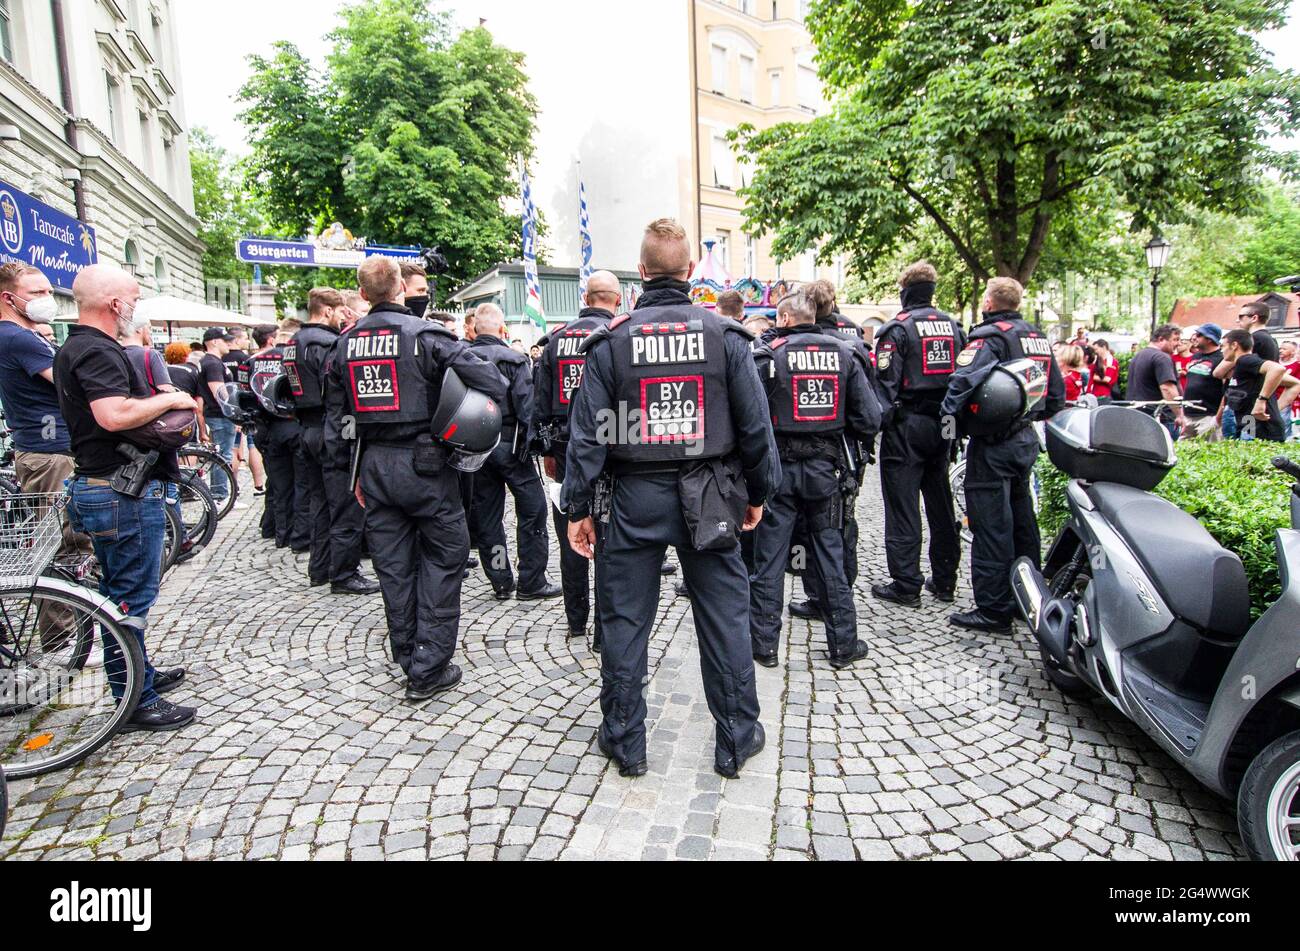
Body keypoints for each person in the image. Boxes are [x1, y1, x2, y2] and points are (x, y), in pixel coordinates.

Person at [561, 218, 778, 779]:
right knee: (726, 616)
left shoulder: (611, 341)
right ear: (688, 273)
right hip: (710, 494)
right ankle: (735, 738)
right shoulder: (726, 336)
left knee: (625, 620)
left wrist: (577, 508)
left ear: (642, 272)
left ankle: (626, 739)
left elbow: (588, 436)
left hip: (633, 497)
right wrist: (757, 493)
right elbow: (757, 430)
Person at [327, 256, 506, 703]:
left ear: (363, 295)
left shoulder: (344, 344)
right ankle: (428, 667)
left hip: (373, 465)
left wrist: (351, 471)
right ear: (401, 290)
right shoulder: (426, 336)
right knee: (445, 560)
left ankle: (408, 652)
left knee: (393, 567)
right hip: (426, 464)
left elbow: (336, 420)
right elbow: (491, 380)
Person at [55, 264, 199, 732]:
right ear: (115, 304)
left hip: (108, 486)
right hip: (119, 489)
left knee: (119, 594)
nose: (136, 307)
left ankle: (140, 677)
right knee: (128, 601)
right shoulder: (95, 350)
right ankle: (137, 698)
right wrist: (171, 400)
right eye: (133, 299)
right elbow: (113, 414)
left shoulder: (79, 347)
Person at [750, 289, 878, 669]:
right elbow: (870, 418)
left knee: (769, 560)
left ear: (787, 319)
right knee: (829, 556)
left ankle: (764, 646)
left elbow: (751, 417)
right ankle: (843, 645)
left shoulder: (768, 355)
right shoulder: (845, 353)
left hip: (779, 471)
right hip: (826, 470)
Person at [942, 277, 1065, 634]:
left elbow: (964, 379)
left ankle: (993, 608)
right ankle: (1026, 598)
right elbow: (1054, 392)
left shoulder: (990, 337)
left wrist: (948, 421)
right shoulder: (1035, 335)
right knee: (1023, 521)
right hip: (1026, 438)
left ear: (991, 302)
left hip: (995, 442)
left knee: (991, 524)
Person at [532, 270, 621, 648]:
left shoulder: (555, 341)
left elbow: (537, 403)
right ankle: (603, 631)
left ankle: (575, 620)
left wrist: (547, 453)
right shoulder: (618, 336)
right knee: (608, 542)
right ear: (616, 300)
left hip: (566, 449)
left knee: (571, 529)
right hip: (610, 447)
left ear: (585, 296)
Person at [870, 261, 964, 607]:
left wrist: (874, 429)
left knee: (903, 505)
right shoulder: (953, 327)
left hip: (907, 423)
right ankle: (944, 579)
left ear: (905, 291)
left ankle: (906, 583)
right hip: (943, 423)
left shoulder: (898, 330)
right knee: (940, 502)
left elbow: (885, 386)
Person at [285, 289, 379, 595]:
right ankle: (344, 573)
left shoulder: (293, 343)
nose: (344, 317)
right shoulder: (327, 343)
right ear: (326, 311)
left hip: (306, 428)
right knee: (345, 505)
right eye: (341, 312)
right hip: (330, 429)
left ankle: (320, 568)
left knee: (319, 504)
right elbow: (338, 388)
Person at [468, 303, 561, 601]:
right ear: (501, 328)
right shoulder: (513, 358)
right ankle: (531, 580)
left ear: (474, 329)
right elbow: (526, 407)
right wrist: (537, 445)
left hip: (477, 447)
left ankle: (500, 579)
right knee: (533, 510)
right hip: (511, 446)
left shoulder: (462, 357)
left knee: (488, 518)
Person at [250, 325, 311, 549]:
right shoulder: (293, 359)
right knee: (301, 484)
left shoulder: (254, 361)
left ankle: (280, 533)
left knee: (278, 485)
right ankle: (300, 536)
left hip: (268, 427)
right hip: (293, 424)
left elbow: (247, 394)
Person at [1215, 329, 1300, 443]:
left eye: (1223, 346)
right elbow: (1295, 384)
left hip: (1262, 431)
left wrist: (1262, 401)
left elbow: (1277, 368)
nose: (1222, 350)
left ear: (1234, 345)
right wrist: (1274, 409)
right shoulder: (1245, 367)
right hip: (1250, 425)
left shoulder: (1246, 360)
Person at [198, 327, 239, 503]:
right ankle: (220, 495)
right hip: (220, 415)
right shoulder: (213, 363)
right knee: (223, 455)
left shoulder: (209, 361)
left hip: (215, 414)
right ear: (214, 342)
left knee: (220, 454)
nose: (228, 343)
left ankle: (218, 494)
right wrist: (234, 412)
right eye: (224, 340)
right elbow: (220, 393)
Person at [1126, 325, 1186, 438]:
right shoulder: (1161, 357)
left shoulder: (1139, 355)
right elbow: (1167, 388)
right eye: (1175, 339)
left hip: (1138, 416)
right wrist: (1179, 414)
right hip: (1160, 419)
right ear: (1161, 339)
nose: (1178, 344)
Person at [1181, 324, 1226, 441]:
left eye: (1199, 335)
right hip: (1188, 415)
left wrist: (1217, 419)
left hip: (1208, 416)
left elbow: (1227, 390)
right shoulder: (1195, 356)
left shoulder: (1221, 358)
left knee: (1210, 453)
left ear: (1209, 339)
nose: (1194, 337)